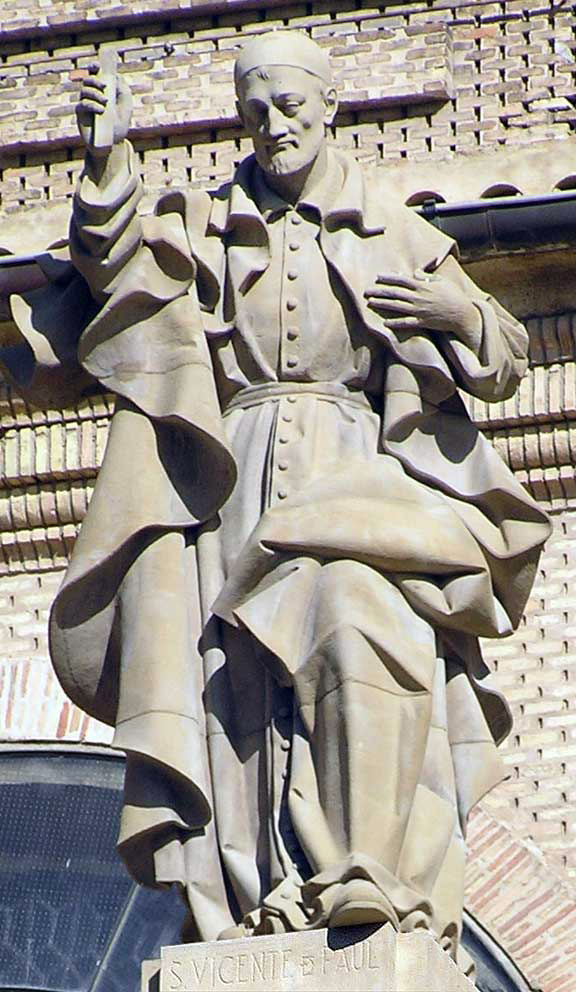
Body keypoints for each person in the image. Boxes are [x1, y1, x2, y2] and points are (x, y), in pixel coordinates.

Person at [2, 30, 550, 965]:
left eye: (291, 107)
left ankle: (363, 871)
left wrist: (459, 315)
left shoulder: (390, 225)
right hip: (232, 481)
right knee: (235, 685)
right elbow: (116, 265)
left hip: (362, 481)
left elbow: (504, 360)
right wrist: (106, 167)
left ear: (329, 107)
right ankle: (255, 902)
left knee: (360, 628)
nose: (275, 126)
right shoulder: (210, 221)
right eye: (255, 112)